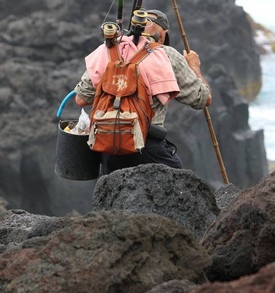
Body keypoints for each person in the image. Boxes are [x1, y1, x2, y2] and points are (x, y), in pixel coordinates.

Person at [74, 9, 211, 174]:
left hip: (108, 148)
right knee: (179, 189)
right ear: (164, 35)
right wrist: (194, 68)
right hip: (148, 146)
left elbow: (81, 99)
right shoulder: (167, 55)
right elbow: (202, 98)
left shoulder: (107, 50)